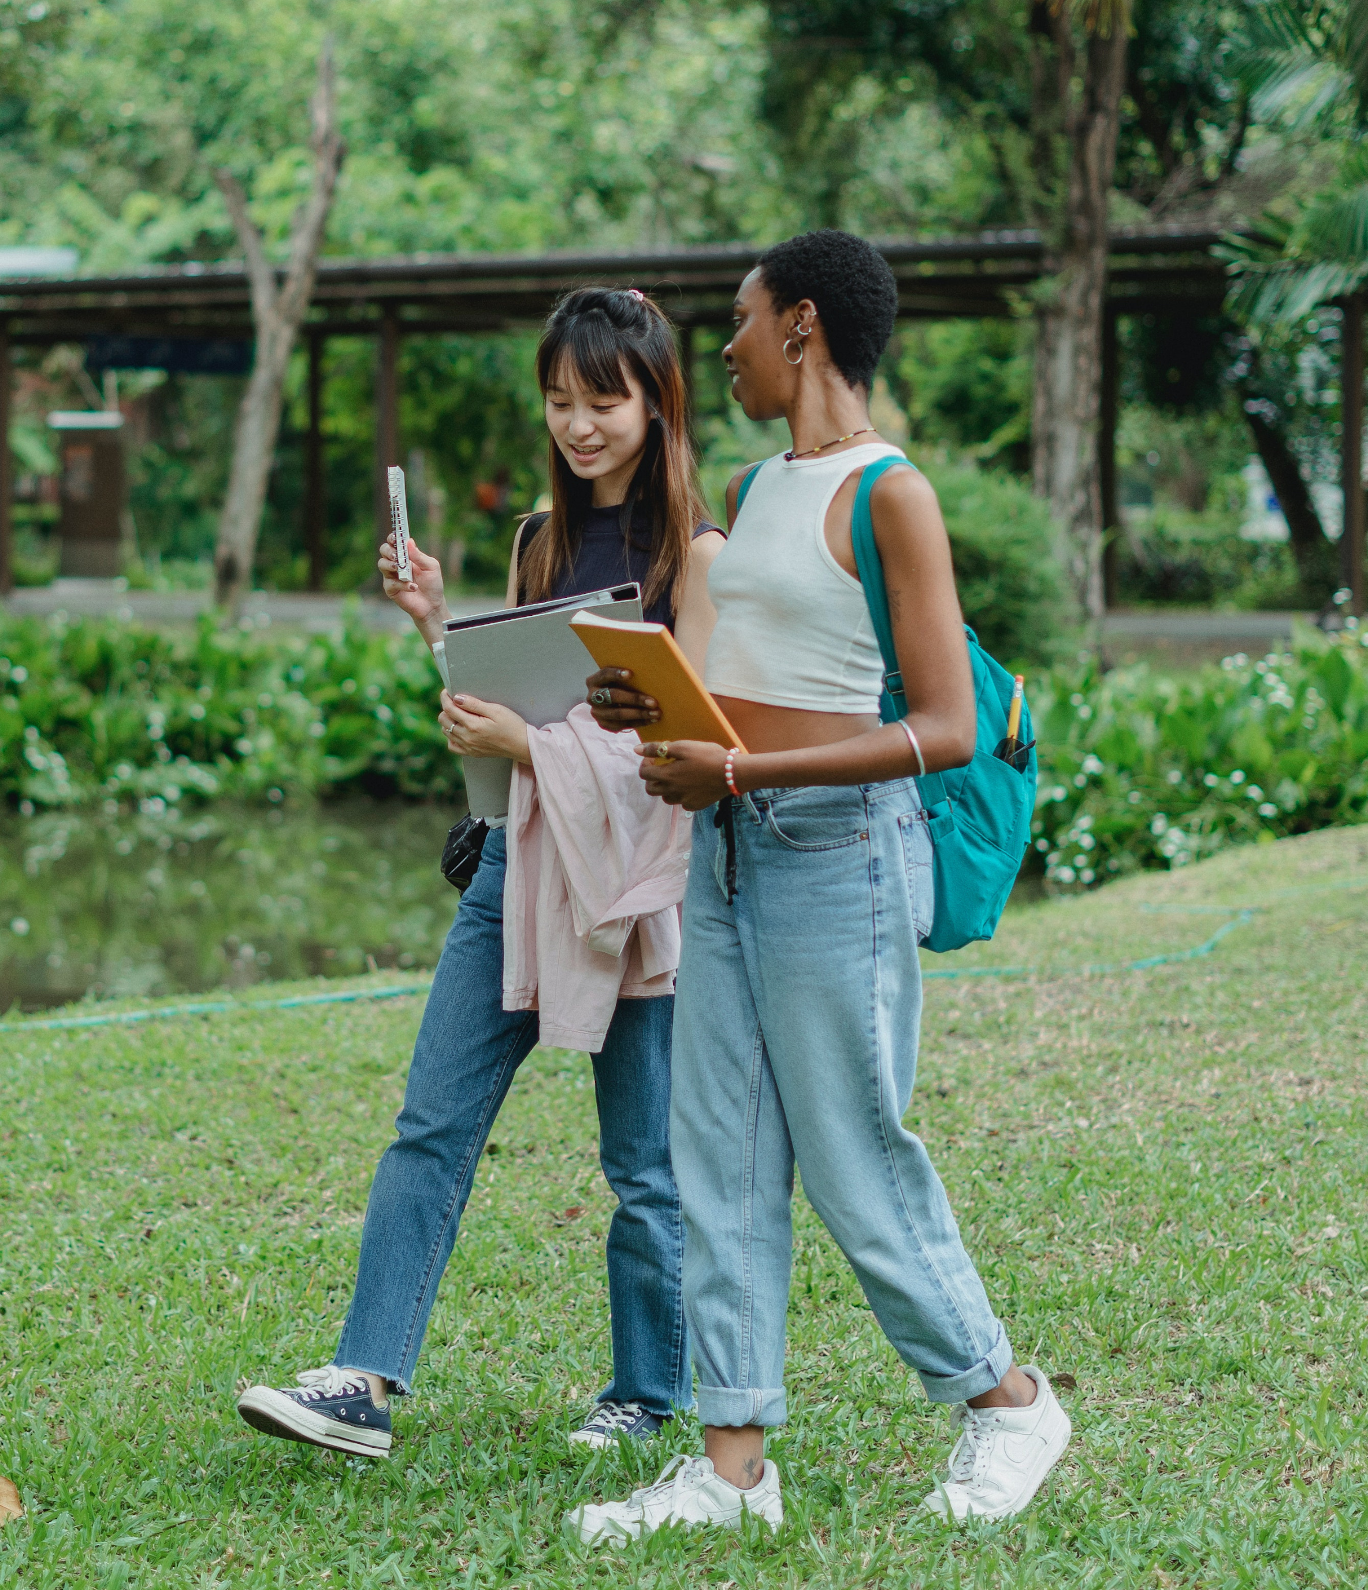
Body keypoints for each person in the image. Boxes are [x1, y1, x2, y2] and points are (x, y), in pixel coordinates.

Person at [568, 231, 1070, 1543]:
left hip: (841, 856)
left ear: (800, 325)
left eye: (738, 322)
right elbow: (748, 683)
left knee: (852, 1154)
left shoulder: (890, 494)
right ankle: (733, 1469)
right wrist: (655, 712)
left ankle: (1009, 1401)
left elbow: (944, 728)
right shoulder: (751, 485)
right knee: (718, 1155)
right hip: (731, 852)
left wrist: (742, 771)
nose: (723, 348)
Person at [236, 287, 725, 1458]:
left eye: (603, 401)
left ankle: (646, 1393)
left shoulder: (700, 555)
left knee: (642, 1164)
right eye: (559, 401)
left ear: (658, 404)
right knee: (431, 1123)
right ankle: (363, 1380)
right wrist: (435, 621)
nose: (579, 426)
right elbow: (515, 699)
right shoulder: (539, 540)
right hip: (518, 864)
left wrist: (530, 745)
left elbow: (690, 749)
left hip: (635, 890)